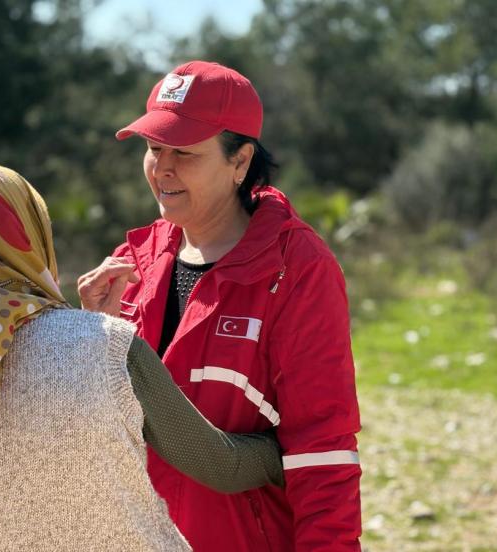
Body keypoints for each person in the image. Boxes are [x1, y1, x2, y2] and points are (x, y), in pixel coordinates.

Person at [0, 164, 284, 551]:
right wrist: (295, 451)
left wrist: (89, 327)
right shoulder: (105, 347)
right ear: (28, 235)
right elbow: (219, 464)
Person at [78, 60, 362, 551]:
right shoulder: (131, 262)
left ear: (240, 161)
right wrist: (89, 336)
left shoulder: (298, 269)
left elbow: (322, 450)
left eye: (184, 152)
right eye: (154, 148)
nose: (162, 168)